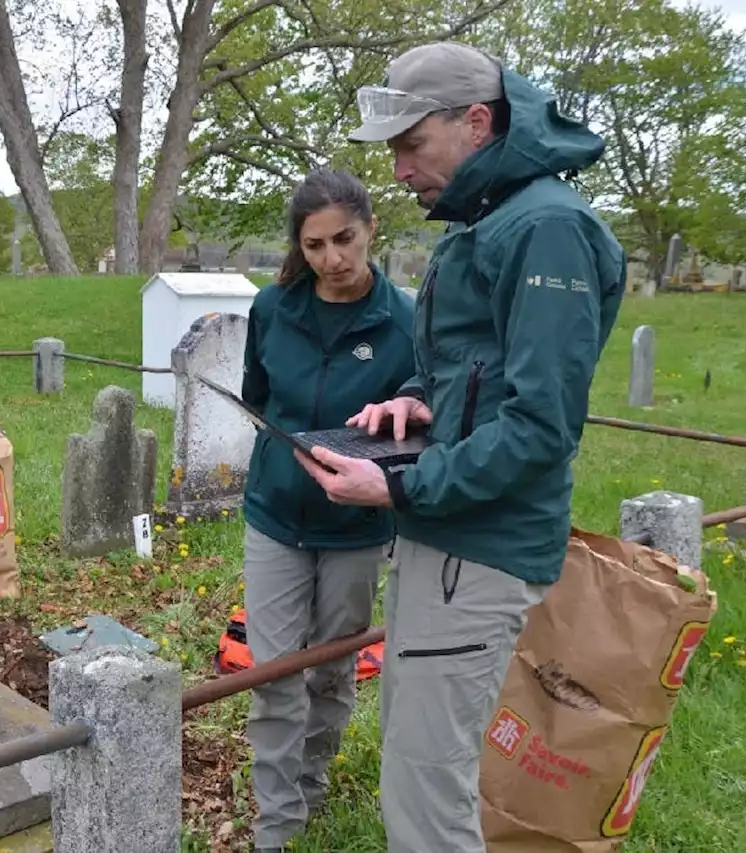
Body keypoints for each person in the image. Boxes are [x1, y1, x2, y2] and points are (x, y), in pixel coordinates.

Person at [292, 42, 627, 853]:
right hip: (446, 535)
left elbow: (541, 428)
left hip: (477, 544)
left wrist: (398, 488)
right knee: (416, 763)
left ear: (476, 122)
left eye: (413, 145)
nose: (401, 172)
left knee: (425, 788)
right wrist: (416, 403)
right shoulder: (494, 218)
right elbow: (486, 377)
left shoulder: (544, 227)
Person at [239, 168, 417, 853]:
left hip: (356, 526)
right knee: (274, 671)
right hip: (276, 516)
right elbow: (259, 395)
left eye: (344, 238)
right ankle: (276, 824)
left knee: (332, 668)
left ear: (371, 227)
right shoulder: (272, 308)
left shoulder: (405, 321)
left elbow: (416, 414)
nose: (332, 258)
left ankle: (311, 783)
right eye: (314, 245)